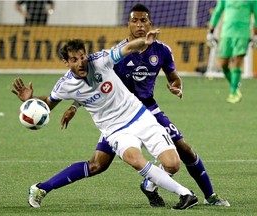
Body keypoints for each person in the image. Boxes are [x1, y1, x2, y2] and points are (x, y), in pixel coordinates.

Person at [51, 4, 229, 208]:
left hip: (148, 110)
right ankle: (44, 187)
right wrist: (75, 106)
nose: (139, 24)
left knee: (184, 150)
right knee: (98, 164)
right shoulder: (118, 54)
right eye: (134, 20)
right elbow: (95, 84)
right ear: (128, 24)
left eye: (143, 20)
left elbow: (174, 77)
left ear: (150, 23)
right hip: (118, 115)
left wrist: (176, 87)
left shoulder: (162, 50)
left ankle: (209, 195)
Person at [12, 30, 199, 210]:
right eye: (74, 60)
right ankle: (185, 194)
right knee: (134, 160)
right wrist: (31, 100)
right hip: (115, 130)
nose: (81, 63)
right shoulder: (65, 85)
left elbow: (126, 48)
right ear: (65, 62)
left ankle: (149, 185)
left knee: (173, 164)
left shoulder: (100, 60)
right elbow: (48, 105)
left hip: (140, 115)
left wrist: (145, 42)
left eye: (82, 57)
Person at [207, 0, 257, 103]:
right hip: (226, 34)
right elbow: (217, 11)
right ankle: (235, 85)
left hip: (242, 34)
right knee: (222, 64)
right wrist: (210, 31)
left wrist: (255, 35)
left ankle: (233, 93)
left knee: (237, 62)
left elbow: (256, 15)